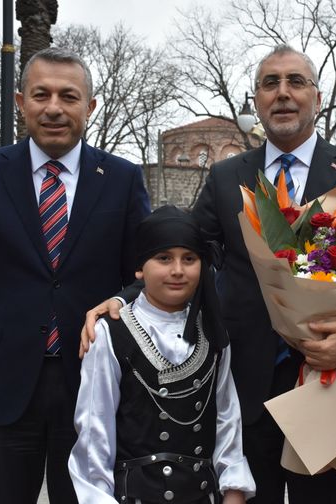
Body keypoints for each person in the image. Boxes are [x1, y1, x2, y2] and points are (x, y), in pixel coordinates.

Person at [81, 44, 336, 503]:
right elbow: (185, 251)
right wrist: (127, 298)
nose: (283, 93)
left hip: (328, 379)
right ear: (255, 100)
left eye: (296, 82)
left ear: (317, 98)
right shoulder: (224, 178)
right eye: (269, 83)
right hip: (243, 387)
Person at [0, 47, 150, 504]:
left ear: (89, 107)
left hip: (94, 387)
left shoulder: (123, 179)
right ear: (21, 102)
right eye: (41, 94)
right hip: (1, 385)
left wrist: (119, 301)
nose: (54, 107)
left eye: (68, 96)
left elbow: (140, 279)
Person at [69, 206, 255, 504]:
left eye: (189, 259)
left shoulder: (214, 333)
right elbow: (94, 432)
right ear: (140, 268)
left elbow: (227, 419)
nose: (178, 270)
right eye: (164, 258)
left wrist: (234, 490)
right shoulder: (110, 333)